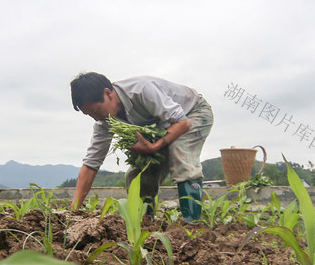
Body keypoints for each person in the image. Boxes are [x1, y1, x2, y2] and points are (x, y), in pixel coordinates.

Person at [70, 72, 213, 221]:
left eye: (95, 110)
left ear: (108, 93)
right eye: (89, 115)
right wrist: (74, 210)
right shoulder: (104, 122)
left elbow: (183, 123)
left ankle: (193, 222)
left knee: (180, 152)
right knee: (136, 175)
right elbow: (91, 164)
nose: (96, 118)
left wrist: (154, 146)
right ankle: (144, 222)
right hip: (164, 127)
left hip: (192, 112)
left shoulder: (142, 90)